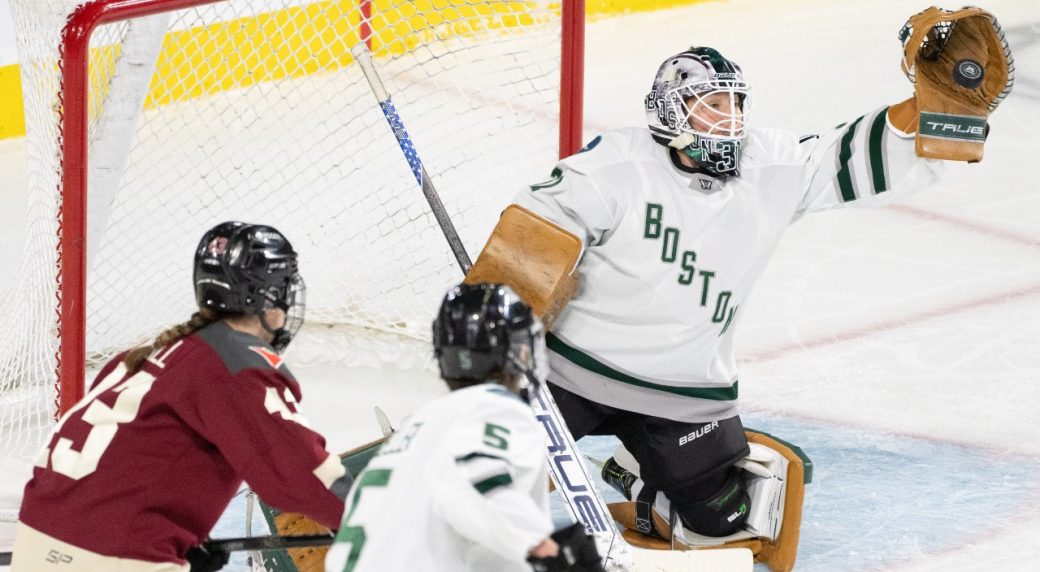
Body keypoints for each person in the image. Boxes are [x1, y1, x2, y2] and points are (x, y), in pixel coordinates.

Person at [459, 8, 1014, 569]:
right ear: (670, 108)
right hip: (569, 372)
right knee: (479, 480)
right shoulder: (618, 164)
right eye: (711, 103)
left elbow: (849, 153)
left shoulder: (767, 166)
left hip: (682, 390)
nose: (729, 117)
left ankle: (634, 476)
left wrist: (938, 115)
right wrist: (502, 310)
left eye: (735, 103)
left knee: (728, 519)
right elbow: (542, 220)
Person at [12, 221, 352, 572]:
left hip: (35, 545)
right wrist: (374, 516)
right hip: (112, 557)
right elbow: (303, 476)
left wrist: (175, 535)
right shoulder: (237, 364)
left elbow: (127, 465)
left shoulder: (143, 355)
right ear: (267, 298)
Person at [325, 283, 601, 572]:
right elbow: (472, 479)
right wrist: (550, 553)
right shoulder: (495, 408)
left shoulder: (418, 425)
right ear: (518, 352)